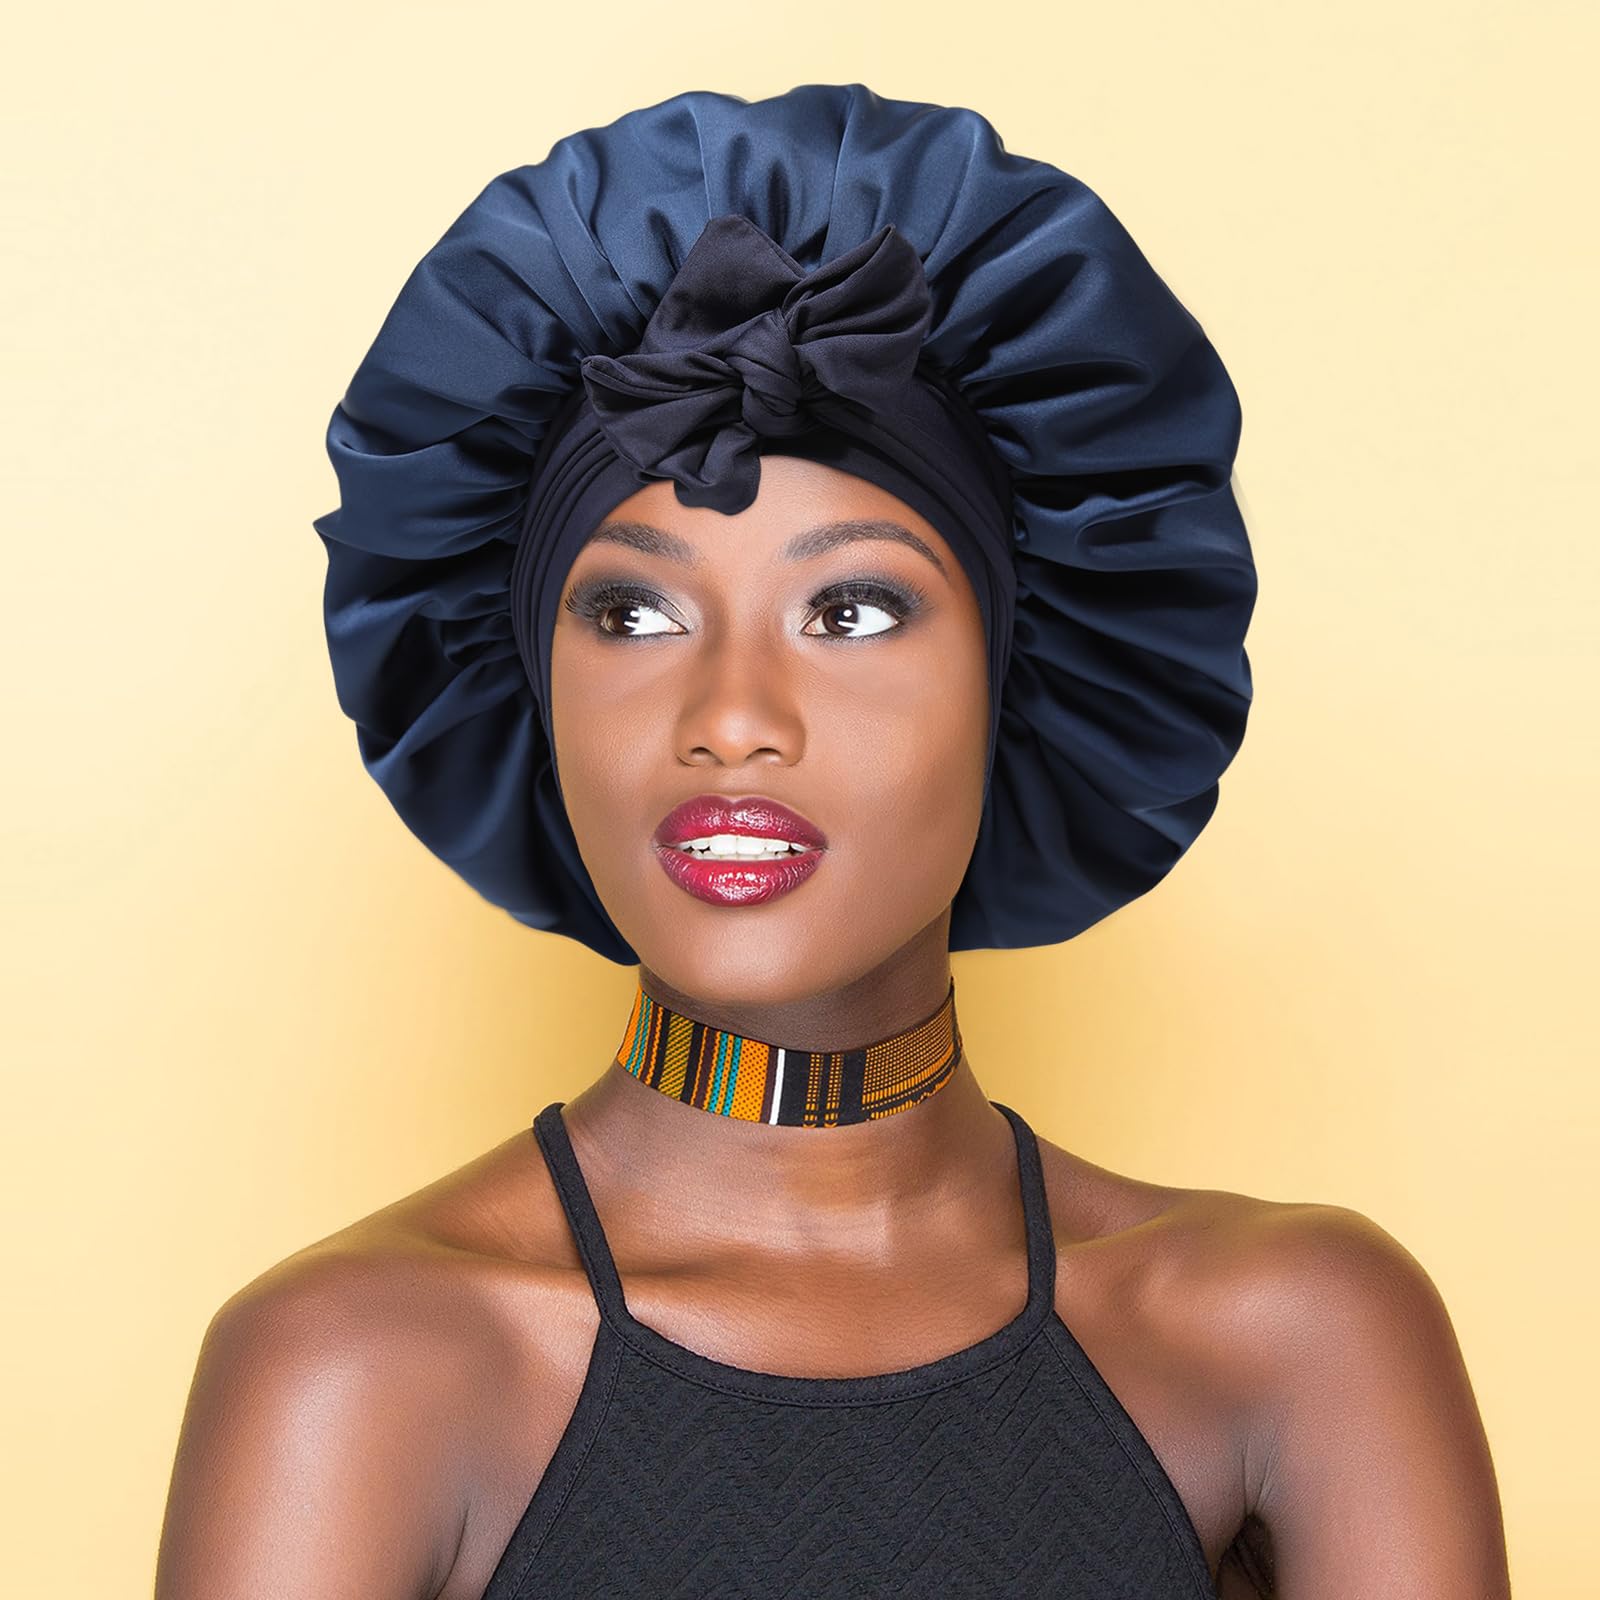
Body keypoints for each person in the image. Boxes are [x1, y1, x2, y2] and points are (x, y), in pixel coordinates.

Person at [155, 85, 1510, 1598]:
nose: (731, 719)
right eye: (633, 612)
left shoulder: (1295, 1336)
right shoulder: (355, 1366)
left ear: (1021, 679)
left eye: (853, 610)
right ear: (530, 687)